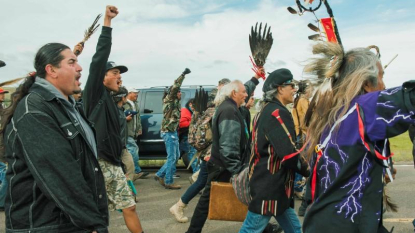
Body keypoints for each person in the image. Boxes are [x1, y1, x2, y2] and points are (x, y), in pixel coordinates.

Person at [302, 42, 415, 233]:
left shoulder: (334, 114)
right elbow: (410, 99)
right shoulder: (364, 108)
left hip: (325, 222)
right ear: (366, 83)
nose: (384, 86)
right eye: (381, 77)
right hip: (346, 226)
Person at [2, 42, 108, 232]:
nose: (79, 67)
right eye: (72, 62)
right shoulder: (34, 110)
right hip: (44, 226)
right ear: (51, 70)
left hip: (69, 222)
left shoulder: (68, 107)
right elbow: (61, 174)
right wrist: (93, 223)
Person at [82, 6, 143, 233]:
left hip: (113, 162)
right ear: (102, 77)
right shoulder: (94, 94)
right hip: (98, 164)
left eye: (121, 73)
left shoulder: (113, 100)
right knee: (97, 215)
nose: (119, 76)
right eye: (114, 72)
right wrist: (107, 21)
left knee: (129, 206)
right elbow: (99, 58)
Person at [239, 69, 309, 233]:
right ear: (280, 88)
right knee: (250, 229)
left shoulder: (265, 110)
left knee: (295, 228)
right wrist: (310, 171)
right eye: (291, 85)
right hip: (269, 187)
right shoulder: (277, 113)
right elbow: (289, 154)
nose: (294, 89)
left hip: (273, 186)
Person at [186, 80, 249, 233]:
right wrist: (237, 170)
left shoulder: (229, 107)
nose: (246, 95)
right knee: (245, 194)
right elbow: (228, 145)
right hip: (224, 165)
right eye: (243, 92)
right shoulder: (229, 111)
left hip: (221, 163)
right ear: (234, 93)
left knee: (208, 200)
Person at [154, 68, 191, 190]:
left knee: (175, 156)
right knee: (172, 158)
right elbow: (175, 86)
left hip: (172, 132)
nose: (180, 93)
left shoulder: (175, 102)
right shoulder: (170, 99)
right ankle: (169, 181)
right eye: (178, 92)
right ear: (174, 93)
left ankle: (159, 174)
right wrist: (183, 75)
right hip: (169, 133)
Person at [291, 81, 313, 206]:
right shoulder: (303, 101)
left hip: (300, 132)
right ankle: (297, 188)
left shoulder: (298, 99)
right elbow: (307, 118)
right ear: (306, 90)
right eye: (310, 89)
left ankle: (296, 186)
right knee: (303, 160)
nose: (312, 91)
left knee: (301, 159)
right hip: (304, 133)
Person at [124, 87, 149, 179]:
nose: (137, 95)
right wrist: (125, 118)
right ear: (129, 93)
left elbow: (137, 118)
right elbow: (118, 115)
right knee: (133, 149)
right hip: (126, 131)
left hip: (133, 132)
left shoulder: (135, 104)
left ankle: (131, 170)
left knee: (128, 151)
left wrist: (139, 128)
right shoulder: (124, 103)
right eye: (135, 93)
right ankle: (136, 171)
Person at [179, 98, 199, 173]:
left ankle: (161, 174)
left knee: (174, 157)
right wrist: (194, 123)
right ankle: (196, 173)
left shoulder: (190, 111)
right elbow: (182, 124)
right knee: (192, 153)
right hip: (185, 136)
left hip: (185, 136)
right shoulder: (185, 111)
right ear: (190, 104)